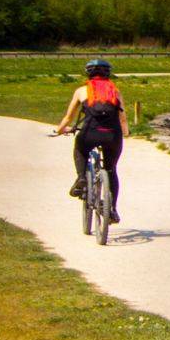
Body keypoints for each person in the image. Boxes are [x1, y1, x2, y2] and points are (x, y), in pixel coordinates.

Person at [54, 59, 127, 223]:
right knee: (111, 170)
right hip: (113, 135)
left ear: (88, 73)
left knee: (80, 149)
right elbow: (123, 119)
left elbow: (69, 117)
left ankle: (81, 178)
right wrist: (126, 133)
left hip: (90, 133)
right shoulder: (115, 91)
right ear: (108, 73)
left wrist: (60, 130)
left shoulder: (81, 91)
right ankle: (112, 210)